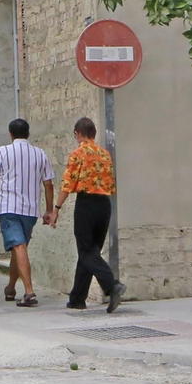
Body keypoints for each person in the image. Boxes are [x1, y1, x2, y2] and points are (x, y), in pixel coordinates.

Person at [50, 117, 124, 312]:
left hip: (87, 204)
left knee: (86, 251)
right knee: (90, 252)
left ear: (78, 134)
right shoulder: (105, 154)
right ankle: (77, 298)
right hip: (104, 205)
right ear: (94, 134)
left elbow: (68, 183)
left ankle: (112, 285)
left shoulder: (78, 154)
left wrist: (56, 209)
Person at [0, 118, 55, 307]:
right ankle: (11, 287)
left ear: (10, 134)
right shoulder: (40, 154)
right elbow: (48, 184)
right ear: (28, 134)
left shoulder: (3, 152)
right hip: (30, 210)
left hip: (9, 208)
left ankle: (29, 292)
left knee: (18, 247)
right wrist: (49, 210)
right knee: (18, 247)